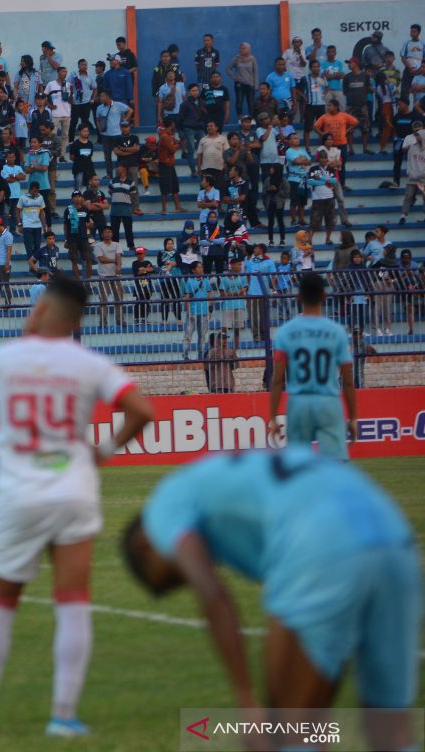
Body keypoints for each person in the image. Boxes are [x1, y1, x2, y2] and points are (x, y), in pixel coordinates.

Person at [0, 276, 152, 739]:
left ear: (40, 308)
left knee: (0, 601)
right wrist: (103, 450)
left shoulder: (2, 359)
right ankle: (63, 716)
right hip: (73, 486)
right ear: (78, 320)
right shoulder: (91, 363)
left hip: (20, 489)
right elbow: (143, 410)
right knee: (73, 601)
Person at [123, 448, 419, 752]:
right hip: (395, 539)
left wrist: (246, 698)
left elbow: (212, 593)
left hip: (320, 544)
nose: (182, 579)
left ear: (146, 546)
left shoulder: (163, 506)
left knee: (288, 731)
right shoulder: (213, 479)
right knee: (391, 732)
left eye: (172, 578)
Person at [268, 272, 357, 460]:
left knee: (299, 466)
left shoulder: (285, 332)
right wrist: (353, 417)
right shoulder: (337, 332)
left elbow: (277, 380)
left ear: (298, 297)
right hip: (328, 401)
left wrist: (273, 417)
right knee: (335, 464)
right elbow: (348, 380)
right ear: (324, 297)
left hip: (299, 402)